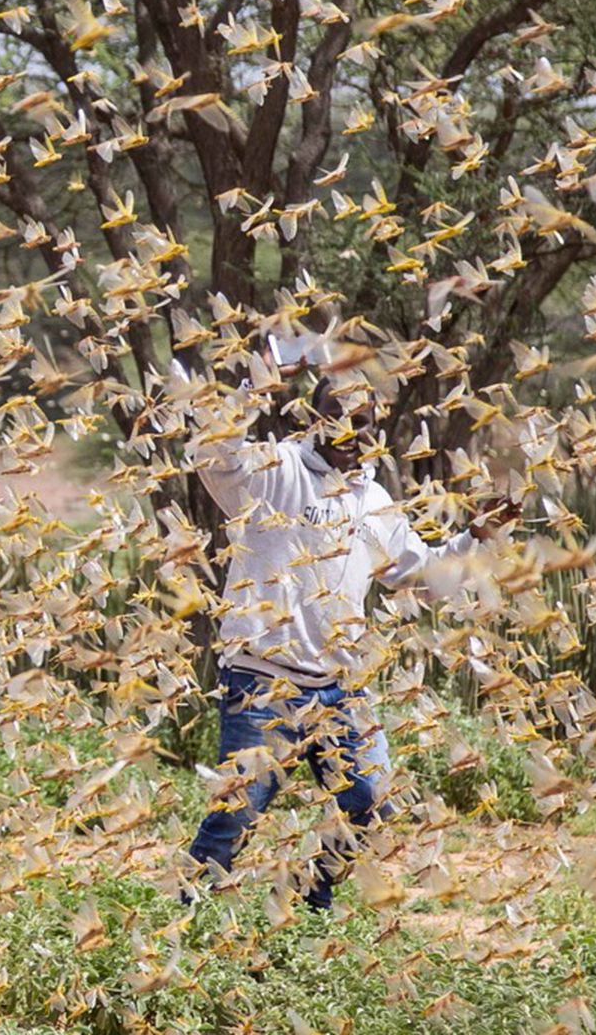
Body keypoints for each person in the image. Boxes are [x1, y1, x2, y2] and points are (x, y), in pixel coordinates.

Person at [178, 374, 514, 911]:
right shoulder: (277, 470)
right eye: (338, 418)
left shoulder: (375, 500)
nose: (352, 431)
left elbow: (420, 573)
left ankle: (309, 901)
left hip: (340, 690)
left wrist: (475, 537)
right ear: (313, 421)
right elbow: (216, 456)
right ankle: (184, 925)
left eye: (364, 422)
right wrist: (246, 394)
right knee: (236, 815)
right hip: (263, 682)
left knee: (372, 801)